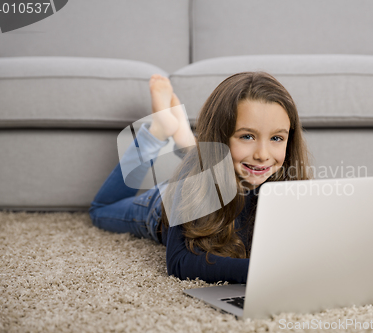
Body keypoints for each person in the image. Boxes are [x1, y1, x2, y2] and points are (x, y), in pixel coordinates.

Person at [89, 71, 312, 284]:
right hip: (163, 203)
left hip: (211, 166)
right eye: (247, 136)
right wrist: (257, 271)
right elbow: (179, 262)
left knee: (204, 159)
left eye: (276, 138)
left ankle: (186, 140)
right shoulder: (191, 179)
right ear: (220, 138)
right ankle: (158, 131)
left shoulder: (284, 179)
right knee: (100, 210)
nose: (263, 155)